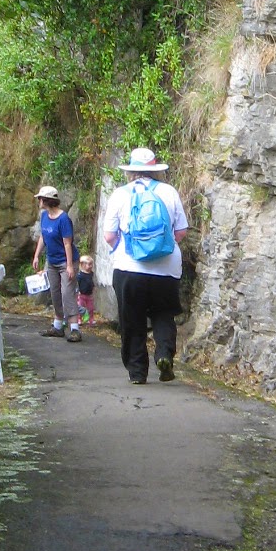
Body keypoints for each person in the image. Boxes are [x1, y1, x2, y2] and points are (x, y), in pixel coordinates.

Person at [103, 146, 188, 385]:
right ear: (155, 170)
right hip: (166, 269)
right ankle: (164, 355)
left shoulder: (120, 194)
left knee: (132, 319)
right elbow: (181, 231)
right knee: (164, 314)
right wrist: (161, 247)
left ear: (130, 171)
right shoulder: (169, 192)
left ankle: (138, 373)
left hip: (129, 268)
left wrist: (127, 248)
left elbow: (109, 236)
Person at [31, 184, 81, 343]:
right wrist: (36, 256)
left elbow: (67, 243)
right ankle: (58, 326)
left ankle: (74, 329)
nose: (39, 201)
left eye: (40, 198)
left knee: (67, 293)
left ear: (46, 200)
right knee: (55, 293)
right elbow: (42, 236)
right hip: (52, 261)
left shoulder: (63, 219)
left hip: (66, 261)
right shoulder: (44, 216)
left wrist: (69, 265)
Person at [75, 254, 96, 326]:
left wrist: (93, 288)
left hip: (89, 295)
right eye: (89, 264)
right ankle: (79, 319)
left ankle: (91, 319)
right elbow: (77, 284)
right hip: (81, 295)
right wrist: (78, 292)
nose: (90, 266)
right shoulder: (80, 275)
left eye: (91, 264)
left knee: (91, 308)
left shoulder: (91, 274)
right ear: (82, 265)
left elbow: (92, 282)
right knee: (81, 307)